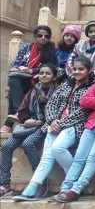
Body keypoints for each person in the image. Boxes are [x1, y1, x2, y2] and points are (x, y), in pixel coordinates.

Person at [13, 56, 93, 202]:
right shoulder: (66, 85)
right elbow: (51, 104)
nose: (77, 72)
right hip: (53, 124)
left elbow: (83, 111)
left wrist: (61, 123)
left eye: (81, 69)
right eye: (75, 69)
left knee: (58, 148)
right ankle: (32, 187)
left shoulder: (91, 87)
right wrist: (52, 120)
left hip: (74, 126)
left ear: (89, 70)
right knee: (47, 156)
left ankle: (70, 181)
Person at [51, 54, 95, 202]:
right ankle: (65, 188)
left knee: (92, 158)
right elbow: (84, 101)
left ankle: (76, 190)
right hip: (92, 124)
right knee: (79, 158)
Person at [0, 63, 58, 198]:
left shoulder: (58, 92)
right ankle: (4, 184)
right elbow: (21, 110)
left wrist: (40, 121)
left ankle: (41, 181)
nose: (44, 75)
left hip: (46, 125)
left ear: (54, 77)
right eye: (42, 73)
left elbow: (58, 112)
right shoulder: (34, 91)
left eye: (48, 73)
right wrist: (26, 120)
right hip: (29, 124)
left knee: (28, 144)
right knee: (7, 146)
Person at [3, 25, 56, 132]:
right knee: (13, 80)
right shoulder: (26, 48)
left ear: (49, 38)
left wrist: (31, 70)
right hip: (22, 77)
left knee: (14, 86)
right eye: (40, 35)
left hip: (39, 78)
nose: (43, 38)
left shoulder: (52, 51)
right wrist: (19, 68)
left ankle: (10, 122)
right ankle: (18, 113)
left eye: (46, 36)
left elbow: (50, 68)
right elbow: (16, 63)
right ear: (35, 36)